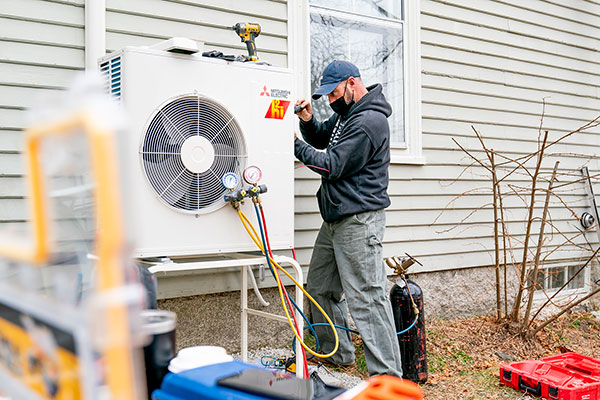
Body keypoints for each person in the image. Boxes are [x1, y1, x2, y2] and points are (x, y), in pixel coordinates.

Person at [294, 60, 402, 377]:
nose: (330, 100)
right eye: (325, 96)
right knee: (318, 288)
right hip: (335, 220)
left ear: (352, 84)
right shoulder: (347, 115)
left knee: (367, 298)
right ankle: (337, 352)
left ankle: (388, 377)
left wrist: (292, 147)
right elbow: (322, 140)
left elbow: (332, 164)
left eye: (334, 93)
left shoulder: (370, 122)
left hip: (358, 220)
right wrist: (309, 122)